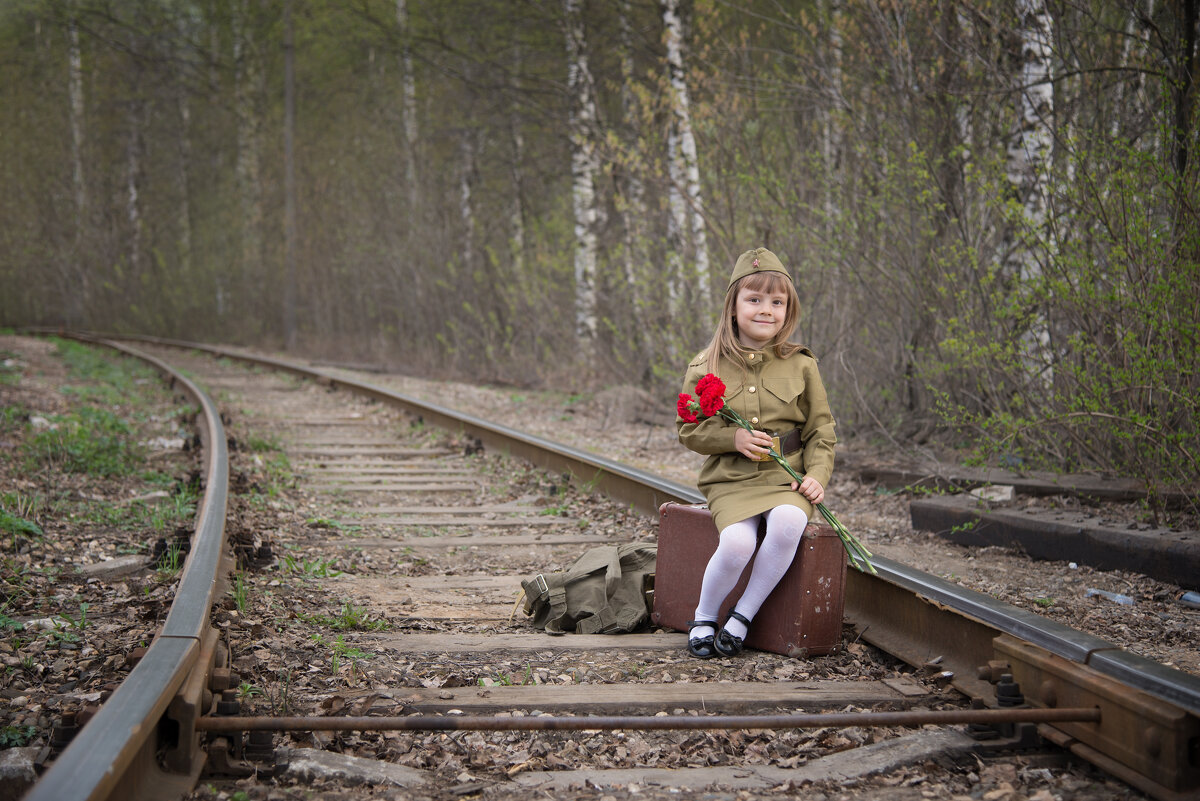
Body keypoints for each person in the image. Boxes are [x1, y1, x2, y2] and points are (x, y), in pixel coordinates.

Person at [675, 247, 836, 658]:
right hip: (731, 479)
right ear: (733, 307)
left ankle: (743, 614)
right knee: (736, 545)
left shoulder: (800, 365)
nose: (766, 310)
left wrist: (817, 474)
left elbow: (821, 428)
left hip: (787, 476)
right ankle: (705, 615)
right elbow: (688, 430)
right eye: (754, 299)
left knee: (786, 522)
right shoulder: (705, 365)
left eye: (777, 302)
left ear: (788, 310)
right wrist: (733, 439)